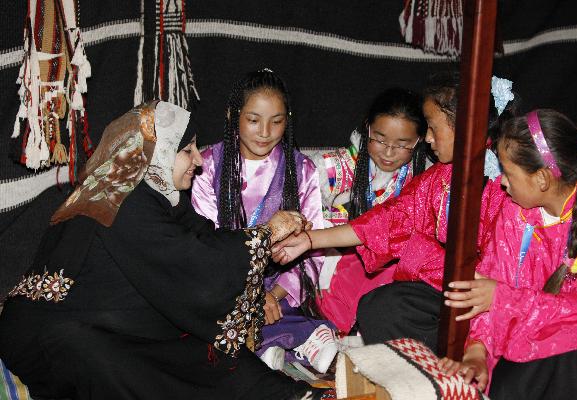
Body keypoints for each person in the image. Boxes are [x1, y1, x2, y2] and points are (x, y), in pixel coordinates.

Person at [0, 101, 328, 400]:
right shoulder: (121, 199)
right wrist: (265, 235)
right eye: (186, 150)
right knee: (113, 362)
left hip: (121, 321)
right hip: (53, 332)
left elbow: (206, 241)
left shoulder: (156, 194)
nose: (199, 160)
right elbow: (194, 262)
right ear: (155, 153)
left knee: (202, 343)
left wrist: (265, 248)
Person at [273, 73, 511, 353]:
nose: (429, 139)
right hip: (438, 292)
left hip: (486, 299)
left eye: (433, 128)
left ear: (465, 127)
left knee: (391, 303)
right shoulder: (440, 177)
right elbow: (385, 221)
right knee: (379, 306)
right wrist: (310, 240)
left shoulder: (501, 185)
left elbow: (504, 266)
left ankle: (467, 356)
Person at [439, 110, 577, 399]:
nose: (501, 181)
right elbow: (491, 280)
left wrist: (503, 298)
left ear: (541, 179)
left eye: (508, 172)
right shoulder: (515, 212)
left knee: (565, 362)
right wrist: (477, 352)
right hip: (524, 348)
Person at [191, 69, 336, 373]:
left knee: (278, 307)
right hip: (227, 282)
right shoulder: (208, 166)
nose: (265, 132)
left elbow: (312, 250)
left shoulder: (302, 169)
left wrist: (273, 293)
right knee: (208, 311)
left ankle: (281, 339)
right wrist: (251, 294)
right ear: (233, 115)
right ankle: (290, 338)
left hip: (281, 285)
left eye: (277, 121)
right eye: (254, 120)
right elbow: (205, 245)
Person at [309, 87, 432, 334]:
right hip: (327, 273)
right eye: (380, 138)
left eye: (402, 144)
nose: (388, 152)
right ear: (367, 128)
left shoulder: (425, 179)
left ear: (421, 140)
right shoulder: (327, 170)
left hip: (389, 281)